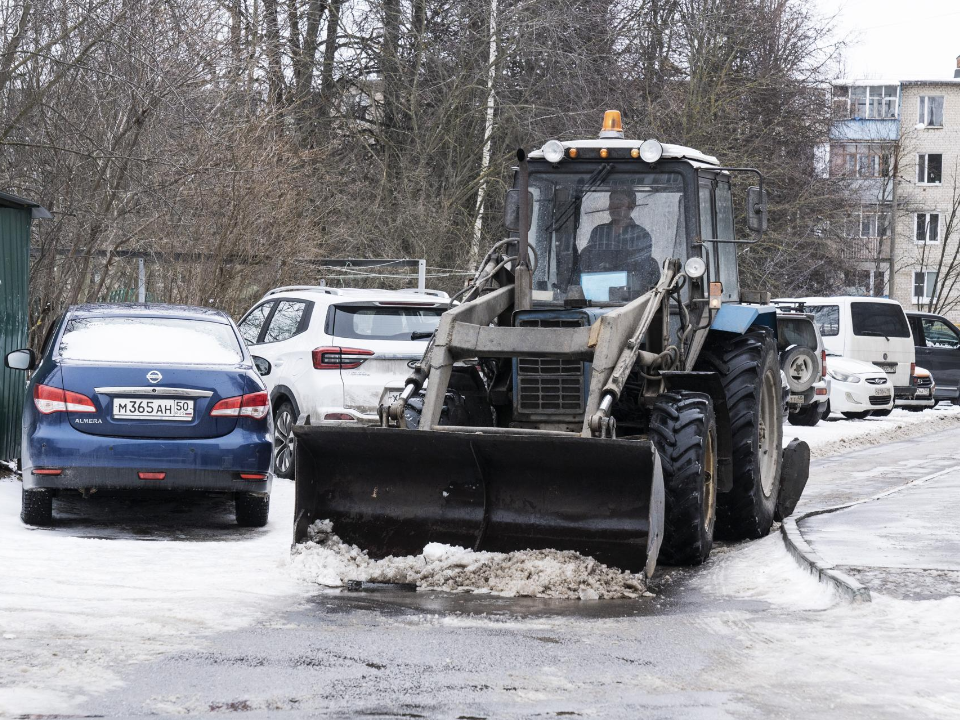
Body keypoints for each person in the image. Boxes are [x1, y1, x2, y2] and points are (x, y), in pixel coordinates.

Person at [574, 186, 661, 293]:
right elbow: (588, 262)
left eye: (620, 201)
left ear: (631, 206)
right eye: (612, 201)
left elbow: (642, 270)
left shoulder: (641, 234)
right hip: (598, 288)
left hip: (630, 293)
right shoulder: (599, 231)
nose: (615, 206)